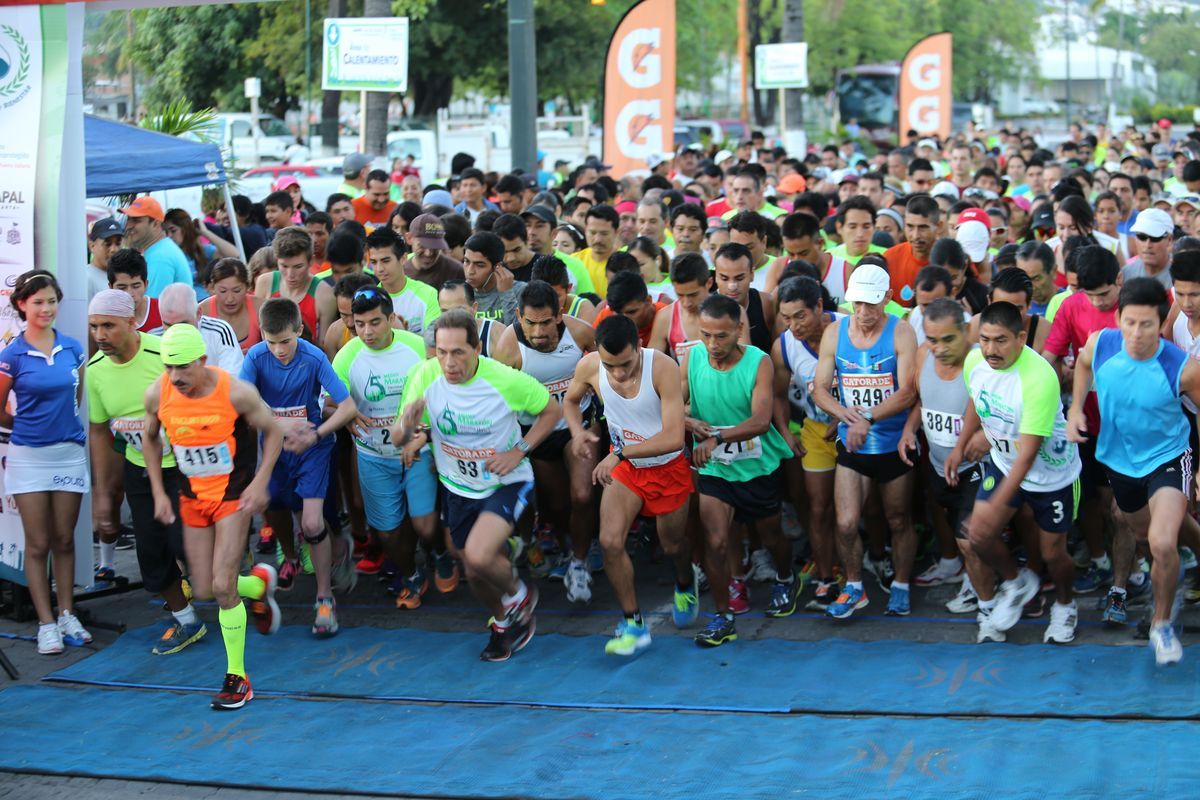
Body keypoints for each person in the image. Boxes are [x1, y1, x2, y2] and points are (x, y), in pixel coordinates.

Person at [392, 310, 559, 662]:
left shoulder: (504, 379)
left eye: (458, 352)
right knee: (473, 568)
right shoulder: (426, 375)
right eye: (442, 352)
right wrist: (408, 428)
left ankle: (519, 596)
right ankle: (502, 623)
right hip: (458, 487)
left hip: (505, 482)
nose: (449, 363)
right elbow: (398, 437)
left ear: (477, 349)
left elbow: (552, 411)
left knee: (480, 555)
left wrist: (519, 450)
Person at [143, 323, 283, 709]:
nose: (175, 376)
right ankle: (257, 586)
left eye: (183, 367)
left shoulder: (235, 392)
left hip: (233, 497)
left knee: (222, 587)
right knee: (205, 588)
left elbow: (273, 432)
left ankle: (238, 677)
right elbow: (149, 438)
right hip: (192, 497)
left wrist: (260, 481)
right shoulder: (157, 393)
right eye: (169, 367)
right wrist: (158, 491)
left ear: (202, 360)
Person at [1068, 278, 1200, 664]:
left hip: (1168, 458)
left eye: (1146, 325)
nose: (1137, 333)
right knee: (1147, 536)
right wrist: (1075, 408)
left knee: (1162, 542)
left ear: (1161, 324)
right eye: (1130, 323)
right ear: (1118, 319)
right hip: (1120, 463)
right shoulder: (1101, 344)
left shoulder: (1183, 368)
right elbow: (1082, 366)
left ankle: (1161, 624)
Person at [945, 301, 1082, 644]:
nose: (991, 349)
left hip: (1051, 476)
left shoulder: (1038, 378)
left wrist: (995, 507)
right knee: (979, 536)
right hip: (1004, 463)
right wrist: (960, 447)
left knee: (1053, 554)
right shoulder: (975, 361)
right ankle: (1015, 584)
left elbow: (1028, 456)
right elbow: (977, 401)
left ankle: (1066, 605)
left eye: (1001, 340)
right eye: (985, 339)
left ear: (1021, 338)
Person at [562, 314, 697, 656]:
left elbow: (673, 437)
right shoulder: (589, 366)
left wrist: (619, 453)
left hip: (666, 468)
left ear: (639, 345)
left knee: (673, 545)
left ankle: (686, 581)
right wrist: (578, 433)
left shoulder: (661, 367)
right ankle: (633, 624)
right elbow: (570, 400)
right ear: (597, 353)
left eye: (625, 364)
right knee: (610, 541)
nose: (619, 374)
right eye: (611, 366)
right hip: (627, 469)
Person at [87, 290, 203, 654]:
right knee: (151, 554)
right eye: (94, 326)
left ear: (131, 323)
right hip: (140, 468)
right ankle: (186, 619)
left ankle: (247, 585)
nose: (100, 335)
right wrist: (104, 494)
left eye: (108, 326)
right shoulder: (95, 371)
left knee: (189, 549)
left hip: (185, 467)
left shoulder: (162, 354)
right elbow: (99, 431)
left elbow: (204, 397)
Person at [684, 294, 796, 646]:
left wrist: (715, 437)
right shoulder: (693, 357)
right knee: (716, 541)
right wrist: (689, 421)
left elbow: (761, 421)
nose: (712, 344)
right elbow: (676, 403)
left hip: (756, 466)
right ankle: (723, 618)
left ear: (739, 330)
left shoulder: (758, 362)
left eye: (721, 336)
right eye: (706, 335)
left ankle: (786, 576)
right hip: (716, 469)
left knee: (772, 535)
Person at [239, 298, 358, 630]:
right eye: (271, 342)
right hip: (276, 449)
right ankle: (291, 556)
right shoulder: (255, 357)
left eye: (286, 341)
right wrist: (280, 424)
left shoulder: (314, 357)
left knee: (312, 523)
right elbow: (242, 405)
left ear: (300, 330)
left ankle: (324, 599)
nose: (279, 350)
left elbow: (348, 407)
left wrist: (316, 434)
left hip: (312, 450)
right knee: (272, 504)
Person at [812, 264, 919, 618]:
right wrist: (846, 416)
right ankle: (855, 587)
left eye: (872, 304)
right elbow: (820, 390)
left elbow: (908, 392)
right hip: (853, 444)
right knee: (845, 523)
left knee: (898, 519)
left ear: (888, 298)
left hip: (892, 444)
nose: (863, 312)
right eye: (857, 303)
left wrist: (867, 418)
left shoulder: (901, 332)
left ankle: (901, 584)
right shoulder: (834, 333)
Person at [332, 286, 445, 606]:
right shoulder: (347, 356)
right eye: (359, 324)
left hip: (417, 451)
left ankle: (439, 552)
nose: (367, 331)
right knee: (387, 533)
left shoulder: (416, 347)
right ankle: (412, 574)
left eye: (375, 322)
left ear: (392, 318)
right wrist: (345, 414)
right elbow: (328, 403)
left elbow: (443, 389)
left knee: (425, 524)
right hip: (374, 456)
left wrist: (425, 434)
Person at [0, 271, 92, 655]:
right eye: (38, 302)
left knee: (64, 539)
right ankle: (46, 624)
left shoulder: (73, 348)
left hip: (68, 454)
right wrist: (27, 427)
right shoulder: (11, 354)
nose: (46, 308)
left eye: (52, 301)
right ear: (22, 305)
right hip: (28, 458)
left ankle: (68, 613)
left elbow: (76, 400)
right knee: (38, 544)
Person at [492, 281, 600, 603]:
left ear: (559, 315)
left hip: (579, 425)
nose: (538, 332)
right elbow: (498, 404)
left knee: (582, 494)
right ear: (518, 317)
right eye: (531, 323)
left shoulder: (581, 334)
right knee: (558, 505)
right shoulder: (508, 348)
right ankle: (570, 547)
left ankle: (580, 562)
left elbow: (607, 372)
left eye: (545, 322)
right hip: (538, 434)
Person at [898, 299, 997, 638]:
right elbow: (922, 402)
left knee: (969, 541)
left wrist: (981, 438)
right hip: (940, 467)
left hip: (977, 467)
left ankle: (989, 610)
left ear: (966, 332)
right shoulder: (923, 356)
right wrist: (909, 430)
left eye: (948, 339)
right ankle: (979, 584)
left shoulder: (981, 363)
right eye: (932, 339)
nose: (939, 348)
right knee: (962, 536)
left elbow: (1004, 412)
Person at [772, 277, 844, 608]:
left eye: (800, 316)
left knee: (864, 509)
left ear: (819, 306)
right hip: (815, 431)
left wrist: (845, 417)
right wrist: (787, 433)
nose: (794, 326)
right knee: (819, 506)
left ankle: (867, 563)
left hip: (856, 427)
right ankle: (826, 577)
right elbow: (778, 395)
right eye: (786, 318)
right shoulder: (784, 346)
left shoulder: (848, 329)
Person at [254, 227, 336, 344]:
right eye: (284, 266)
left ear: (311, 262)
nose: (290, 275)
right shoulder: (264, 283)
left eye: (298, 267)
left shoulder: (325, 295)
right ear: (277, 261)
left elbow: (324, 345)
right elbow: (258, 333)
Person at [364, 226, 440, 335]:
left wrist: (404, 335)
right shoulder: (367, 299)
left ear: (403, 258)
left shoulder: (428, 294)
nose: (379, 269)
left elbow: (434, 340)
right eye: (374, 262)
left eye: (385, 261)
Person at [159, 283, 244, 375]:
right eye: (168, 325)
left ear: (198, 313)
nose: (175, 332)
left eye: (182, 324)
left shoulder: (219, 332)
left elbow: (232, 378)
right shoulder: (155, 337)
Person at [119, 196, 191, 298]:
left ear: (155, 224)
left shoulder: (160, 256)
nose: (129, 226)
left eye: (136, 220)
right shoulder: (160, 249)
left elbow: (153, 304)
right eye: (129, 219)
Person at [714, 242, 776, 353]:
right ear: (715, 277)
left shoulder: (765, 303)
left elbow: (778, 350)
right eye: (724, 278)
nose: (732, 286)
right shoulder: (705, 310)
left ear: (752, 274)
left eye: (739, 278)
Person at [884, 195, 942, 308]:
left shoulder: (949, 259)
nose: (915, 236)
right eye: (910, 227)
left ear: (939, 227)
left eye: (923, 227)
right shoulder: (890, 258)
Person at [464, 232, 524, 326]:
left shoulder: (520, 291)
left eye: (479, 265)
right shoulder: (459, 292)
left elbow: (517, 331)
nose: (470, 271)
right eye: (466, 261)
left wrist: (507, 294)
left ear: (497, 267)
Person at [203, 258, 262, 354]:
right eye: (223, 291)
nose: (230, 299)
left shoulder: (260, 308)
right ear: (212, 288)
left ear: (247, 287)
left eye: (236, 291)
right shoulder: (202, 313)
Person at [437, 280, 502, 357]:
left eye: (458, 311)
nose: (451, 317)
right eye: (445, 311)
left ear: (474, 308)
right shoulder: (434, 334)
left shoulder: (495, 333)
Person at [107, 248, 163, 334]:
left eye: (136, 286)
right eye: (122, 288)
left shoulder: (163, 312)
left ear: (146, 284)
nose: (130, 294)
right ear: (111, 287)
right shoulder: (104, 319)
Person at [405, 213, 466, 290]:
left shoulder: (456, 271)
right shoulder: (399, 270)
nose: (428, 253)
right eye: (422, 246)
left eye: (435, 247)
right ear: (409, 238)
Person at [530, 255, 596, 324]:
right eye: (542, 296)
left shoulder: (584, 311)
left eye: (555, 296)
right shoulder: (527, 305)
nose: (549, 304)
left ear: (569, 288)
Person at [577, 204, 621, 295]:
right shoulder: (575, 262)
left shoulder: (626, 263)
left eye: (604, 234)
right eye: (592, 233)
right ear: (585, 230)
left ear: (616, 232)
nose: (598, 239)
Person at [89, 217, 125, 299]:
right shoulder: (86, 278)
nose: (113, 250)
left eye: (118, 243)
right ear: (92, 246)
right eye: (107, 244)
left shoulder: (123, 276)